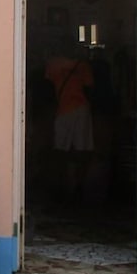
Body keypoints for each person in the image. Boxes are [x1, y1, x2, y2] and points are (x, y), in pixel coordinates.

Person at [44, 48, 94, 199]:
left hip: (62, 110)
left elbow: (47, 86)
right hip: (80, 109)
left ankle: (60, 184)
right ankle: (78, 186)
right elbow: (89, 87)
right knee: (81, 150)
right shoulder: (82, 65)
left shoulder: (53, 63)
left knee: (59, 149)